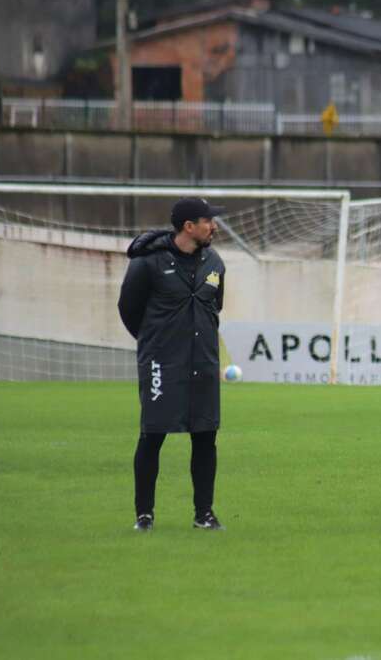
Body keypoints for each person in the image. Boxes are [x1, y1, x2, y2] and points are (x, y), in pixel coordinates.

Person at [118, 197, 227, 532]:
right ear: (188, 226)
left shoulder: (215, 263)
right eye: (208, 220)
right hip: (161, 364)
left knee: (206, 436)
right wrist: (156, 344)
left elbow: (215, 309)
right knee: (152, 435)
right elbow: (128, 310)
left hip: (204, 363)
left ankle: (204, 514)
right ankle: (144, 516)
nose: (214, 226)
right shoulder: (147, 263)